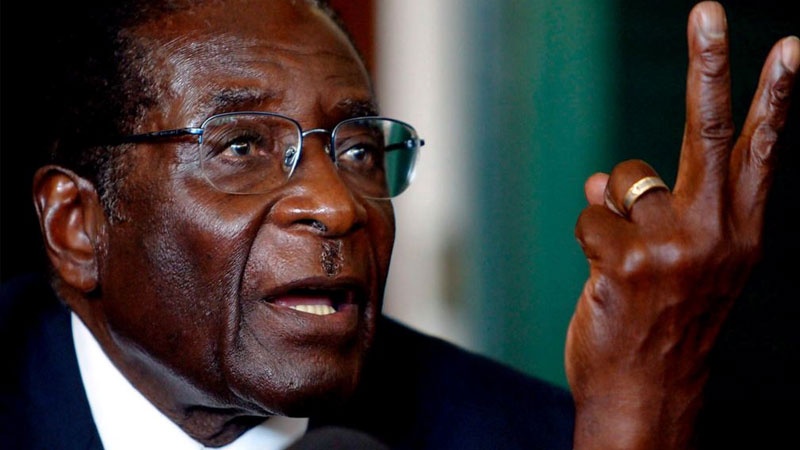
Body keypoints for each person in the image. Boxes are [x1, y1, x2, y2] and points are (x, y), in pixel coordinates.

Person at [0, 0, 796, 449]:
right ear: (78, 226)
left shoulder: (528, 436)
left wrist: (641, 422)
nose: (338, 204)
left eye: (356, 150)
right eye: (241, 146)